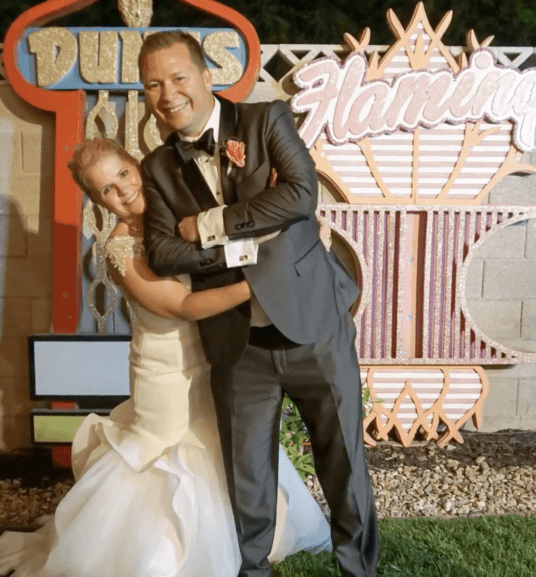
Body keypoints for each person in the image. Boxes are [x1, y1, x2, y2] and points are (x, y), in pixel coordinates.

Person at [0, 138, 332, 577]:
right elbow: (180, 306)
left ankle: (250, 536)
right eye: (106, 189)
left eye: (123, 174)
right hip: (165, 372)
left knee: (227, 446)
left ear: (138, 166)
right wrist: (265, 283)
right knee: (168, 456)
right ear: (98, 202)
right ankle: (160, 555)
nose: (123, 191)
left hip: (218, 357)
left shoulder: (186, 211)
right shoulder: (120, 248)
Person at [138, 31, 379, 577]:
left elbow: (300, 195)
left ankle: (358, 570)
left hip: (313, 323)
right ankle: (253, 572)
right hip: (236, 342)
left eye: (178, 77)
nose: (168, 93)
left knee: (342, 463)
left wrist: (209, 226)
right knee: (247, 476)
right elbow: (161, 252)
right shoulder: (156, 167)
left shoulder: (266, 120)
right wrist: (254, 233)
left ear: (206, 76)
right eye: (153, 84)